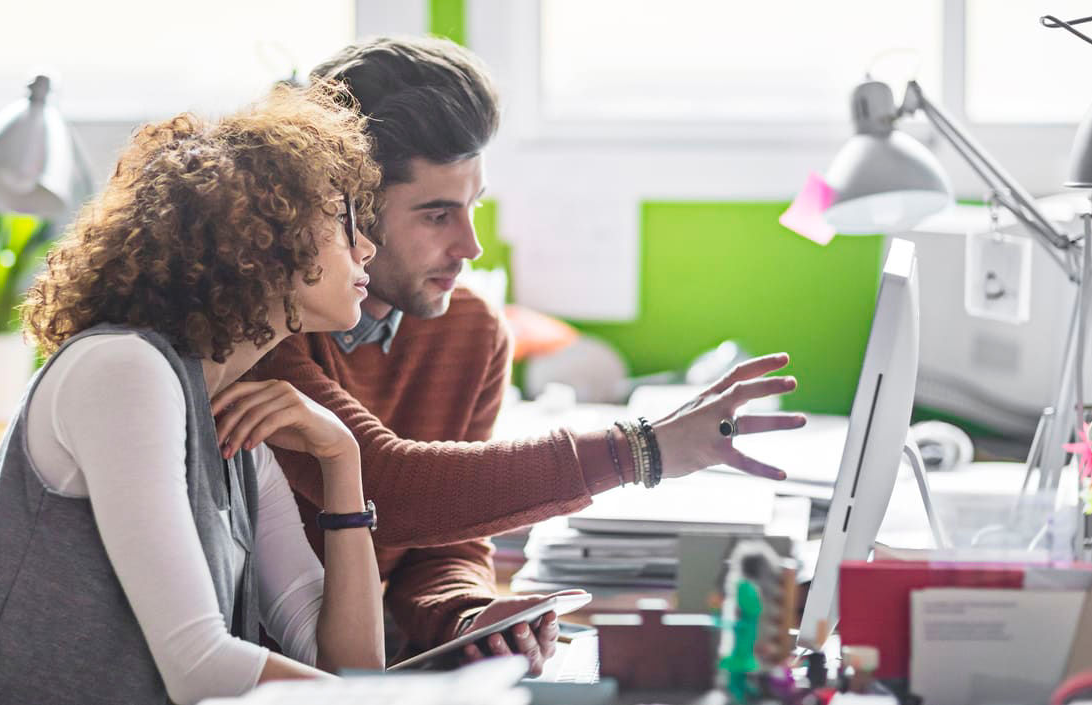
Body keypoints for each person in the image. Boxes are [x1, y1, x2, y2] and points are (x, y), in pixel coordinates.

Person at [252, 37, 805, 674]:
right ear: (348, 215)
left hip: (381, 666)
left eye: (474, 206)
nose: (471, 245)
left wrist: (468, 617)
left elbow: (443, 547)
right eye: (437, 215)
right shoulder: (267, 326)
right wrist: (638, 449)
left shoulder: (471, 328)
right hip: (279, 674)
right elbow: (382, 485)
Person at [0, 83, 385, 705]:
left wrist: (343, 463)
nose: (365, 246)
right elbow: (199, 665)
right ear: (259, 239)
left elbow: (351, 668)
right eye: (341, 221)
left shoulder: (231, 424)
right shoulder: (123, 370)